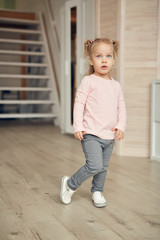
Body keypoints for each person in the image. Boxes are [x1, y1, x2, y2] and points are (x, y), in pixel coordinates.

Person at [60, 38, 126, 208]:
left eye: (108, 56)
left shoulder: (116, 85)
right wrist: (78, 126)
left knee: (103, 167)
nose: (104, 60)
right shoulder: (88, 81)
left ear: (113, 59)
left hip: (109, 134)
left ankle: (97, 191)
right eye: (98, 56)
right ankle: (70, 184)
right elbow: (79, 104)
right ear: (91, 60)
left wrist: (121, 126)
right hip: (91, 133)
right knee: (94, 165)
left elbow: (121, 106)